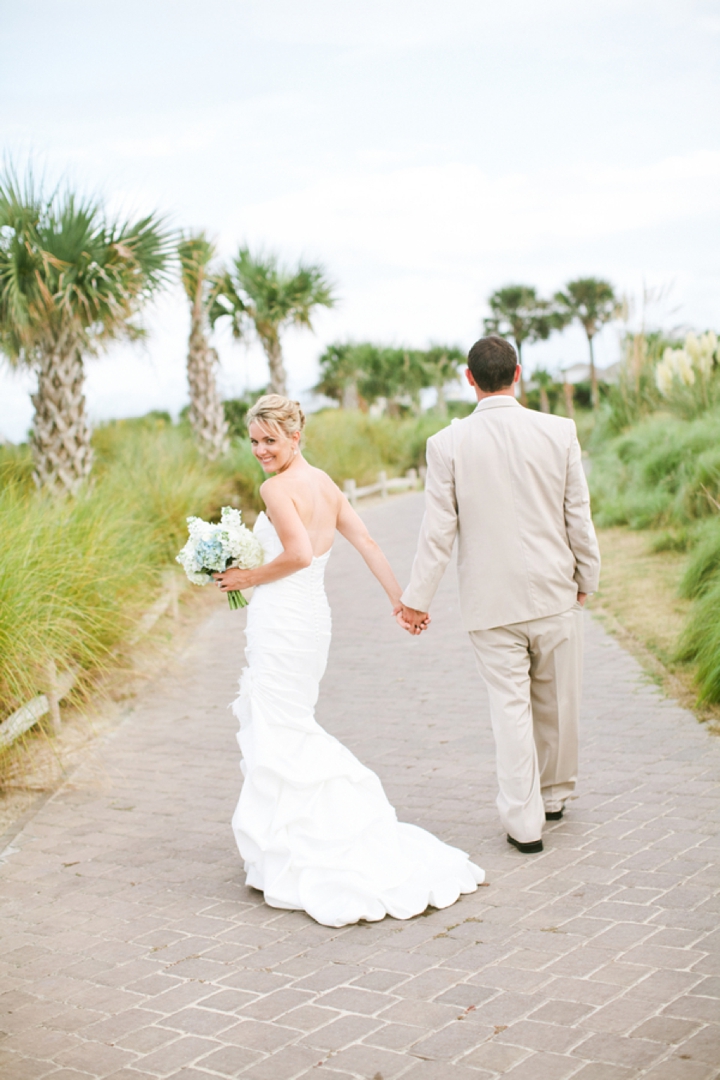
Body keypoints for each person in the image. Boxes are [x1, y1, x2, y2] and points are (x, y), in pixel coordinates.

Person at [213, 394, 484, 927]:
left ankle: (305, 840)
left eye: (271, 439)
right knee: (288, 723)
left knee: (283, 726)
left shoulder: (275, 489)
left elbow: (296, 556)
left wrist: (243, 577)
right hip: (312, 621)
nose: (261, 450)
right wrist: (401, 601)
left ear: (295, 437)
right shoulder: (326, 484)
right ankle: (283, 842)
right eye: (254, 441)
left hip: (284, 622)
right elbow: (365, 541)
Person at [398, 336, 601, 854]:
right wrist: (587, 578)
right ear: (518, 373)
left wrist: (416, 599)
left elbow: (437, 531)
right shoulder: (559, 431)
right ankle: (554, 794)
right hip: (556, 592)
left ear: (469, 379)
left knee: (510, 711)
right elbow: (578, 513)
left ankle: (524, 823)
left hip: (490, 606)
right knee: (559, 702)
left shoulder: (447, 443)